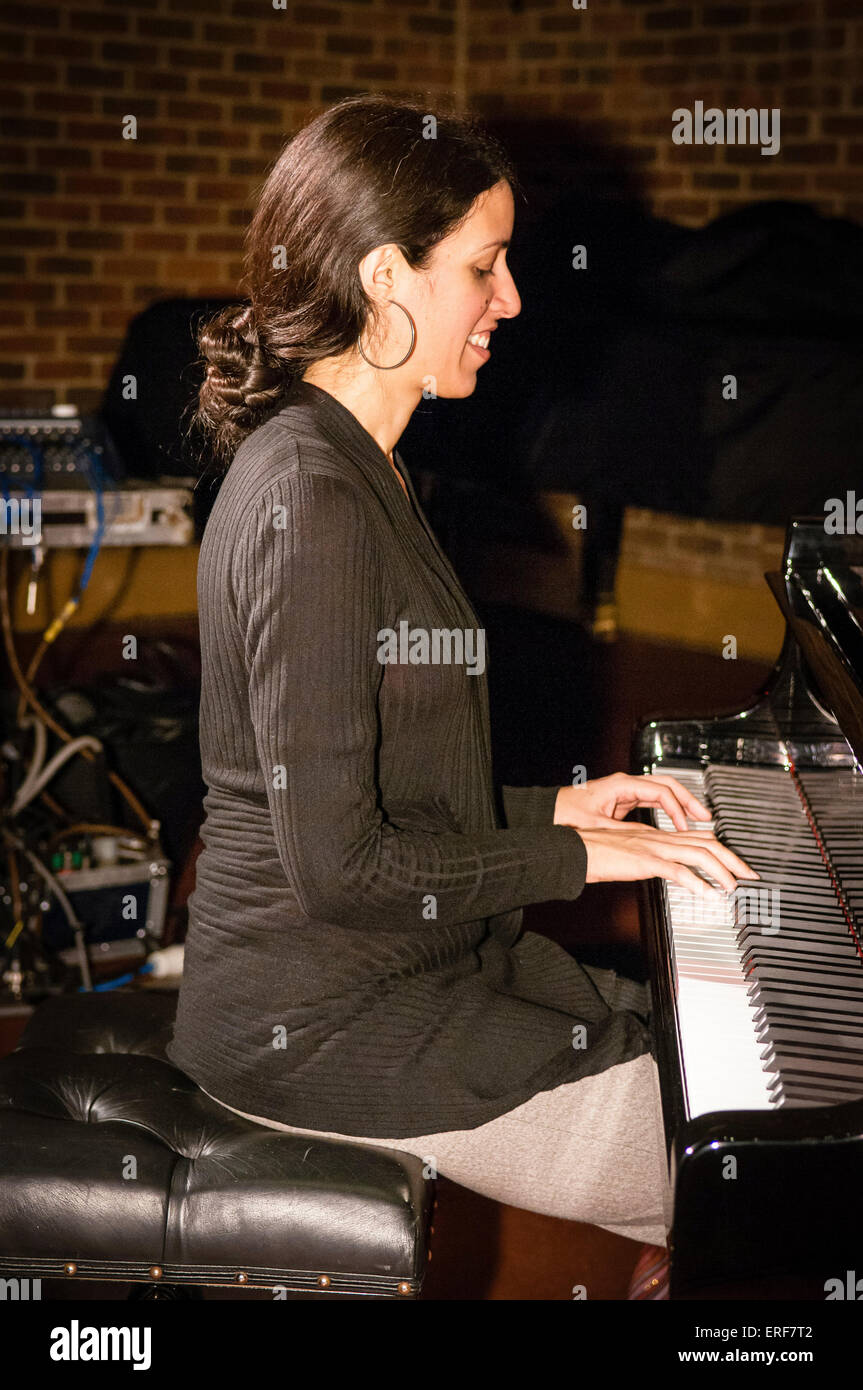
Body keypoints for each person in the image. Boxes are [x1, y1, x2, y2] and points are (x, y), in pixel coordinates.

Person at [166, 94, 757, 1269]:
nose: (512, 300)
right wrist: (579, 858)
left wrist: (557, 810)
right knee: (758, 1175)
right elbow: (342, 865)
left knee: (704, 1058)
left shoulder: (357, 463)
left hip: (399, 971)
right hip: (325, 1023)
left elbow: (376, 797)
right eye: (484, 266)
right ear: (389, 276)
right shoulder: (314, 500)